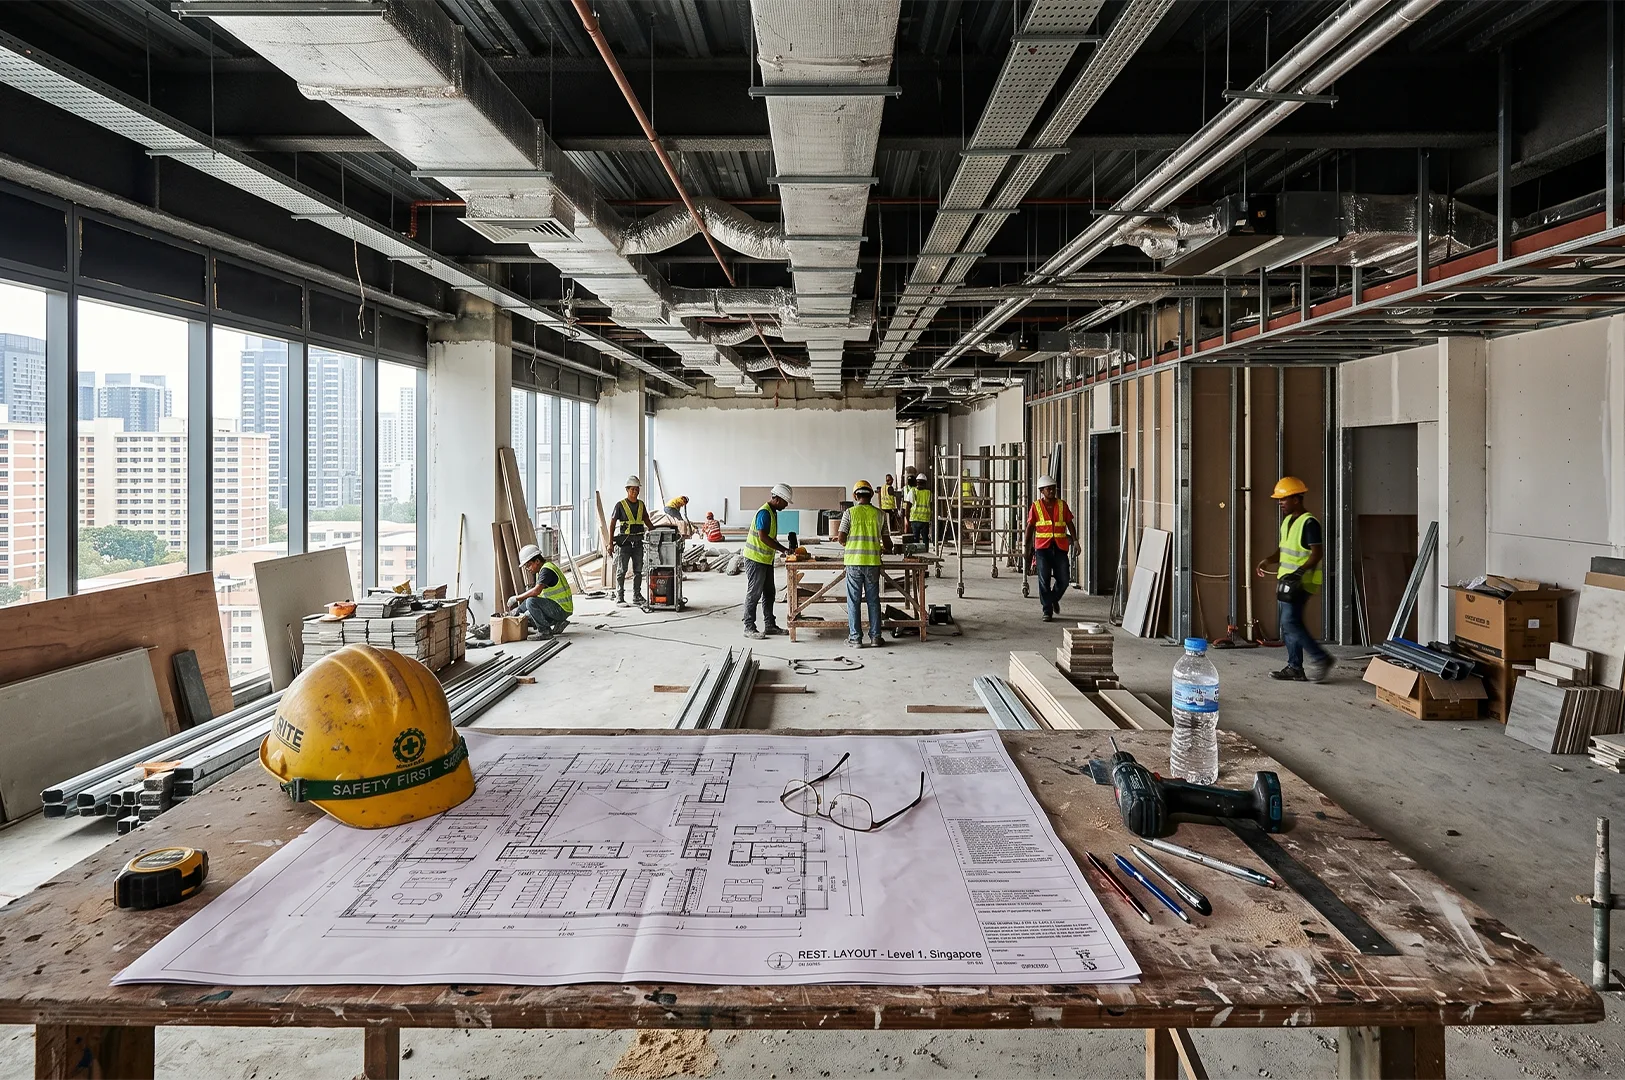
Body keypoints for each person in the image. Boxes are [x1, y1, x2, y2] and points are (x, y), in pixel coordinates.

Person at [1256, 475, 1335, 683]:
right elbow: (1283, 551)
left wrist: (1300, 572)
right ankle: (1295, 668)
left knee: (1290, 622)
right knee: (1289, 624)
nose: (1280, 503)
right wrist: (1267, 560)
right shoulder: (1287, 522)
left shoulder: (1309, 523)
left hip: (1302, 581)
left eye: (1283, 499)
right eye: (1279, 500)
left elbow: (1317, 554)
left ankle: (1321, 658)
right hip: (1287, 581)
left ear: (1296, 499)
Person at [837, 479, 893, 648]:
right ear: (871, 496)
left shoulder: (849, 513)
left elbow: (841, 538)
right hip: (872, 563)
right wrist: (883, 547)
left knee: (853, 601)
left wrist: (851, 544)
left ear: (855, 496)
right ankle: (875, 637)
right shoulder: (880, 515)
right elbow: (888, 543)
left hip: (853, 563)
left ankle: (855, 638)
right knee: (873, 600)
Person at [743, 483, 794, 640]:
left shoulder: (773, 512)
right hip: (755, 559)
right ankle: (749, 627)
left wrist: (782, 550)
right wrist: (783, 550)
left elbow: (770, 538)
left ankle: (770, 625)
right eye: (785, 502)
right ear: (777, 499)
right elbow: (763, 537)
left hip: (765, 559)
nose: (786, 505)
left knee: (769, 593)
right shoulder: (764, 513)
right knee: (754, 594)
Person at [1024, 475, 1077, 622]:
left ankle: (1053, 598)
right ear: (1042, 491)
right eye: (1049, 489)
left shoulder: (1062, 505)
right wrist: (1026, 547)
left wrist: (1075, 541)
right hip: (1042, 549)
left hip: (1060, 547)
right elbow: (1030, 527)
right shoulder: (1036, 507)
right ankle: (1047, 611)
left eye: (1053, 488)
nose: (1052, 491)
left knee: (1064, 579)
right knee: (1044, 580)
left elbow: (1070, 523)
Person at [506, 543, 573, 639]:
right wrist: (518, 610)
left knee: (531, 602)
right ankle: (559, 622)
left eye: (529, 565)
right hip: (559, 608)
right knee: (527, 616)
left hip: (561, 609)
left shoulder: (546, 571)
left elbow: (535, 592)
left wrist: (516, 598)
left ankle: (545, 632)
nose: (528, 569)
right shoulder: (542, 570)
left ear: (537, 561)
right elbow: (535, 594)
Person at [609, 475, 651, 607]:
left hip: (638, 543)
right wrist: (610, 543)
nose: (635, 491)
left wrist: (657, 531)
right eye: (632, 489)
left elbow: (647, 520)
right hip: (624, 544)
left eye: (637, 489)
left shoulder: (641, 505)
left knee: (638, 571)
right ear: (627, 490)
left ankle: (637, 595)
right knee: (622, 570)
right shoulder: (620, 505)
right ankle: (619, 596)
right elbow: (612, 524)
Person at [906, 474, 933, 546]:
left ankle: (917, 552)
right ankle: (926, 551)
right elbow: (932, 507)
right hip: (924, 520)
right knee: (925, 539)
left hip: (915, 519)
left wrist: (907, 519)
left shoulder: (912, 491)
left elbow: (907, 507)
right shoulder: (929, 493)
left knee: (916, 539)